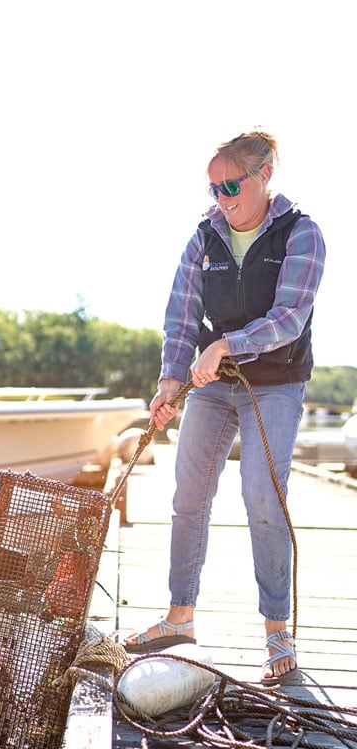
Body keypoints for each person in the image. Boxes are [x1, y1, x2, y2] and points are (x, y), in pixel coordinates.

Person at [124, 131, 326, 686]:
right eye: (214, 187)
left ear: (263, 176)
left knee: (263, 493)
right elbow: (181, 313)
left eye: (231, 184)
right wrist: (169, 378)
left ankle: (276, 628)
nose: (222, 197)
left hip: (276, 383)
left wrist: (225, 345)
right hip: (212, 384)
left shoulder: (301, 234)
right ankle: (180, 618)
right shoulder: (204, 236)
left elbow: (290, 318)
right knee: (189, 493)